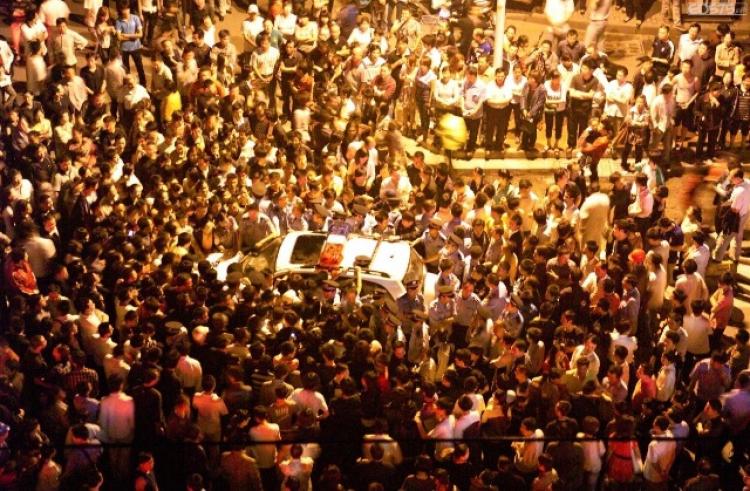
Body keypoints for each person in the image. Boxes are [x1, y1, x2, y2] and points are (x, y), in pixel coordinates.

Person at [115, 3, 146, 84]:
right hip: (124, 48)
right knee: (126, 69)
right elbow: (119, 37)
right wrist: (134, 37)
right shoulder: (118, 21)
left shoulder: (135, 18)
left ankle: (143, 84)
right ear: (120, 11)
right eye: (123, 9)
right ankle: (128, 84)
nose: (126, 11)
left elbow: (140, 34)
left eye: (127, 9)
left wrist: (126, 35)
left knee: (140, 67)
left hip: (136, 47)